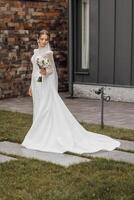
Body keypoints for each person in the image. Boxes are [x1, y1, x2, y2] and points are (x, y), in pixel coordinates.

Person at [21, 30, 120, 154]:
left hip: (45, 85)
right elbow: (34, 70)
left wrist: (45, 72)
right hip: (36, 84)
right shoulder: (36, 53)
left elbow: (51, 70)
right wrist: (31, 85)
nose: (44, 41)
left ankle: (41, 136)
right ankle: (38, 134)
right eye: (42, 39)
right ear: (37, 40)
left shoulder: (48, 53)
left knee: (45, 109)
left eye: (46, 39)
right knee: (38, 107)